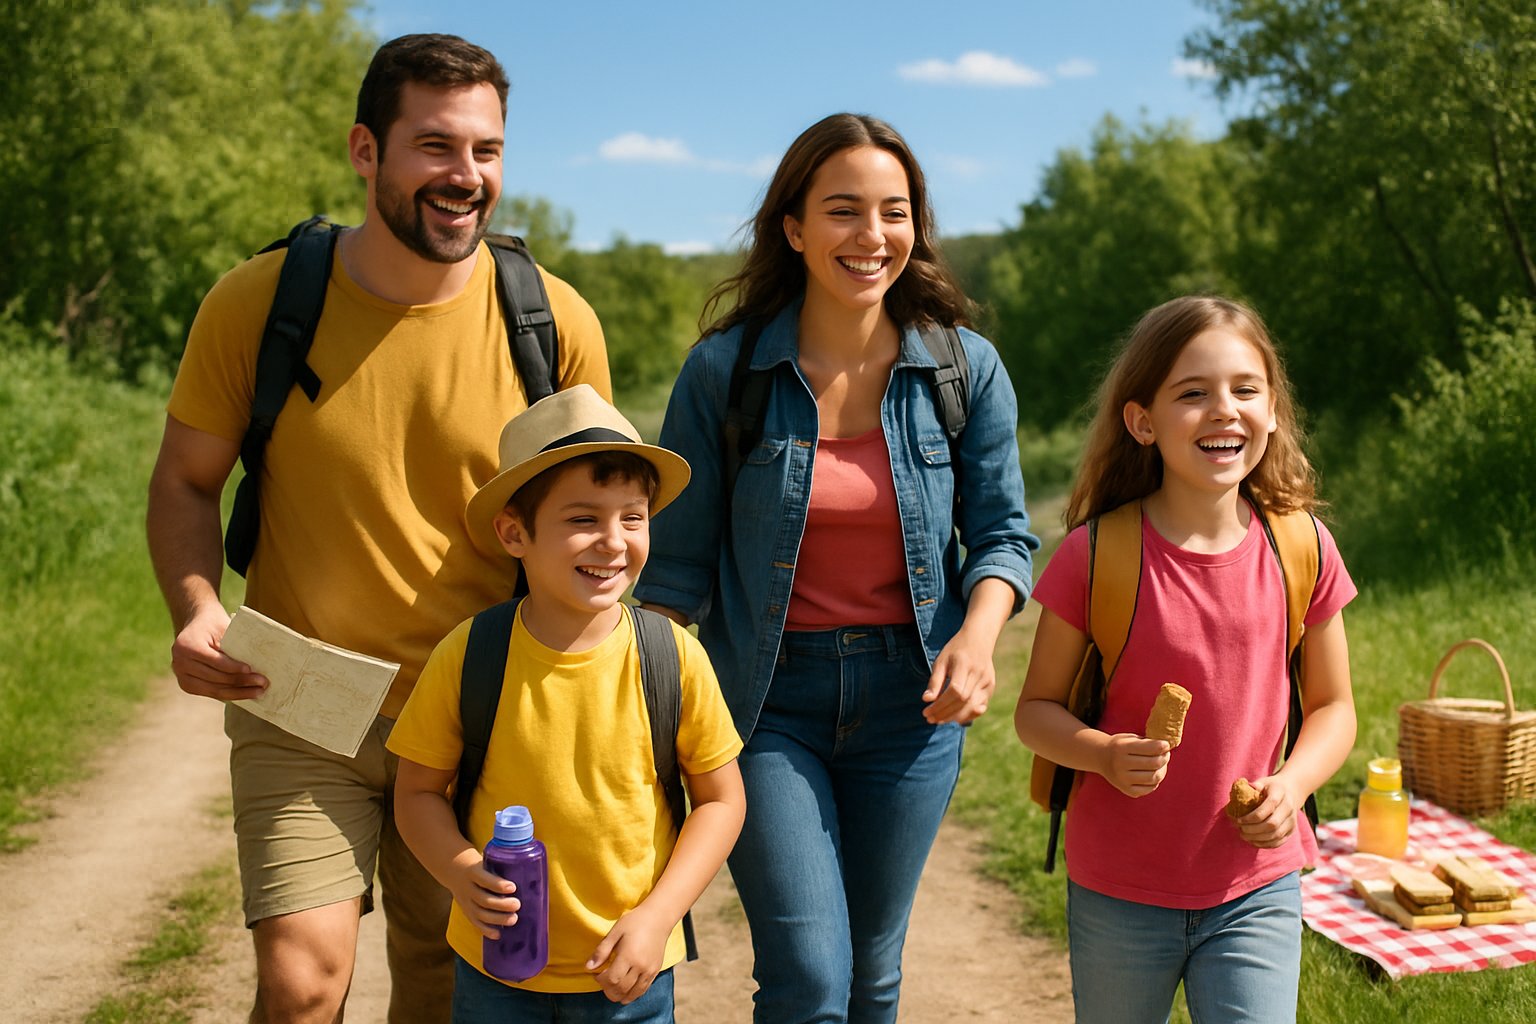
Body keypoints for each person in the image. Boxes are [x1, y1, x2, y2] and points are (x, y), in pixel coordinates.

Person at [144, 34, 611, 1024]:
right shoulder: (259, 304)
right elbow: (186, 481)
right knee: (303, 980)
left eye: (485, 151)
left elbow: (591, 529)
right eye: (435, 147)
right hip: (303, 701)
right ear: (366, 151)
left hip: (480, 710)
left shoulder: (552, 323)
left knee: (448, 995)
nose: (465, 176)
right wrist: (194, 610)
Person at [633, 112, 1036, 1023]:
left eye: (894, 212)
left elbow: (1005, 536)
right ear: (795, 227)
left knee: (873, 971)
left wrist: (978, 638)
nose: (872, 236)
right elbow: (675, 572)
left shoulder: (962, 370)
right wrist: (636, 715)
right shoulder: (725, 375)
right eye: (844, 210)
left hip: (914, 703)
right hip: (765, 705)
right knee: (811, 975)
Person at [1012, 295, 1358, 1023]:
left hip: (1256, 885)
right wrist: (1103, 754)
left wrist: (1293, 785)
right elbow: (1035, 712)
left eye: (1244, 389)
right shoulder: (1094, 554)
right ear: (1142, 421)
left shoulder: (1303, 548)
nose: (1223, 410)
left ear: (1272, 410)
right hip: (1119, 892)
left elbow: (1334, 708)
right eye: (1192, 394)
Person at [387, 384, 745, 1022]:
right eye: (583, 519)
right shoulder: (470, 655)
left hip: (627, 973)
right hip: (495, 970)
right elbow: (416, 794)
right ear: (514, 533)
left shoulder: (672, 659)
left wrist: (659, 918)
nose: (613, 541)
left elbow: (721, 801)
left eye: (632, 517)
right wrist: (459, 870)